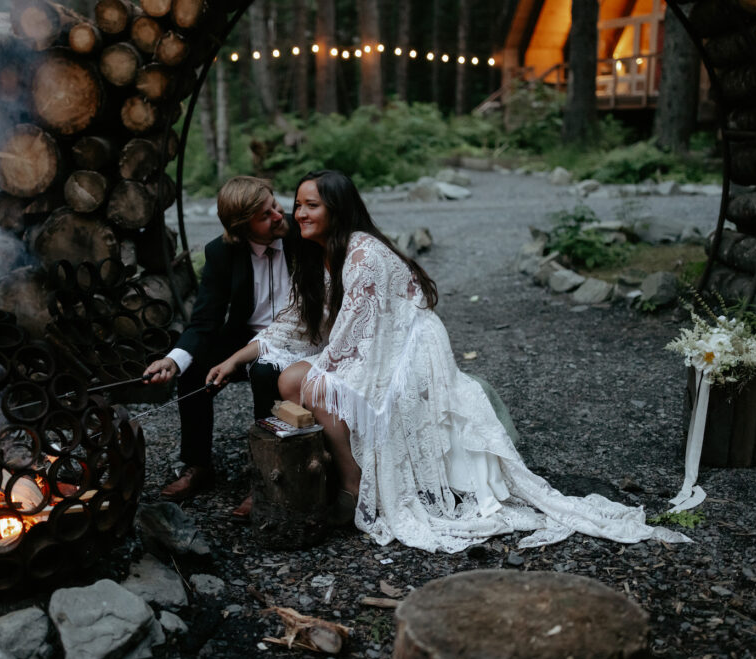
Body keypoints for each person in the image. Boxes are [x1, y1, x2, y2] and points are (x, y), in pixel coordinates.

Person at [207, 170, 690, 554]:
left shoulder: (364, 254)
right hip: (376, 347)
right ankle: (347, 473)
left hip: (406, 355)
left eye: (311, 204)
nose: (298, 212)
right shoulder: (317, 255)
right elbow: (291, 322)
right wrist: (235, 360)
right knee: (295, 376)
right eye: (297, 203)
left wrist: (319, 374)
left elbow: (358, 339)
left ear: (339, 208)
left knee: (300, 379)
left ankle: (353, 488)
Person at [143, 176, 297, 515]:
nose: (277, 215)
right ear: (242, 228)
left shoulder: (300, 235)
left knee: (264, 372)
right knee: (194, 369)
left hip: (299, 338)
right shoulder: (221, 252)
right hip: (246, 336)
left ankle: (266, 479)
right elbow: (205, 319)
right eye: (264, 214)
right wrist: (173, 359)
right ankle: (198, 465)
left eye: (274, 204)